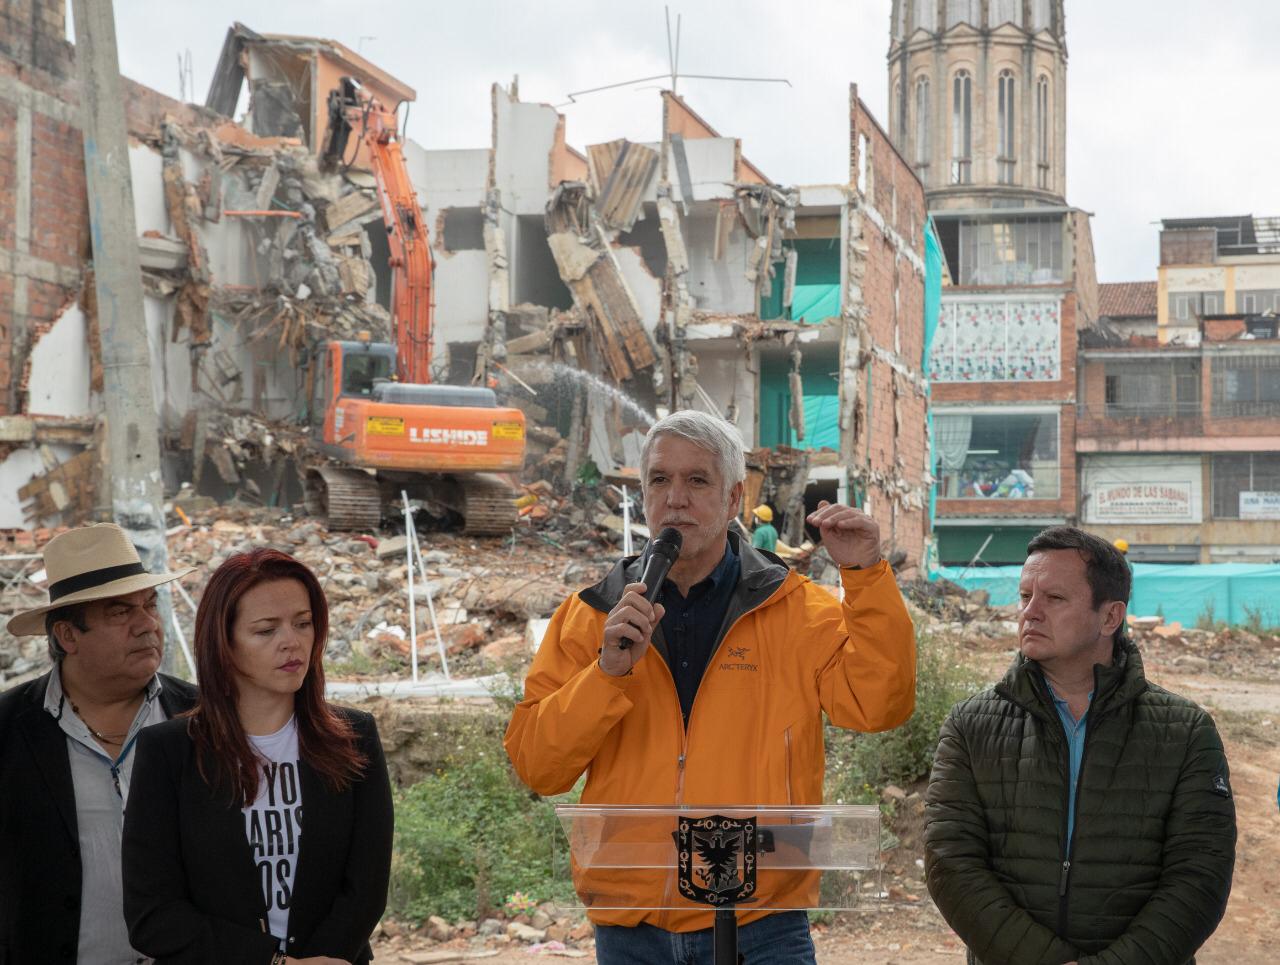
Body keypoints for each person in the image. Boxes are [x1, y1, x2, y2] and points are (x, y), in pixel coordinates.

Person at [505, 410, 916, 965]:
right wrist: (605, 675)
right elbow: (538, 766)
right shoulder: (590, 618)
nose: (675, 499)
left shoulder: (797, 612)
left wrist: (865, 578)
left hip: (761, 924)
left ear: (733, 499)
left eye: (697, 480)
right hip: (633, 929)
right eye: (659, 480)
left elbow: (878, 706)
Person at [925, 526, 1235, 965]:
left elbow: (1199, 879)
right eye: (1024, 595)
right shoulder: (970, 725)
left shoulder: (1185, 732)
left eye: (1053, 599)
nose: (1029, 613)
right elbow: (950, 864)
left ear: (1110, 617)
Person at [122, 548, 393, 965]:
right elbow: (153, 914)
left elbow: (367, 886)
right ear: (224, 643)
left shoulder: (354, 737)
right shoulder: (169, 751)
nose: (293, 641)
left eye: (303, 624)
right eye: (266, 630)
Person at [0, 523, 197, 965]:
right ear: (68, 637)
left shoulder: (205, 719)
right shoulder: (9, 731)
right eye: (120, 613)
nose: (148, 624)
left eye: (150, 605)